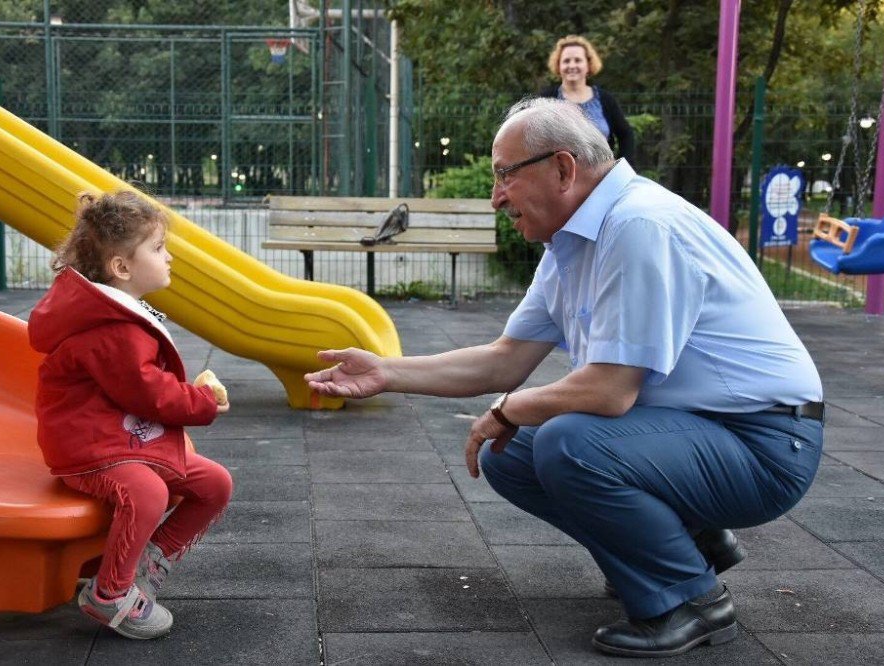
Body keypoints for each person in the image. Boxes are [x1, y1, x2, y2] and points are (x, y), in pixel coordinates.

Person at [305, 98, 824, 658]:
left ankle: (693, 601)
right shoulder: (572, 243)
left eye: (505, 174)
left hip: (765, 443)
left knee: (565, 441)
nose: (496, 195)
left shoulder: (638, 225)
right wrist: (386, 371)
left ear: (563, 168)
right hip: (695, 431)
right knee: (515, 453)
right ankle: (685, 542)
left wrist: (509, 409)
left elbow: (608, 390)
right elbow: (505, 359)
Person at [28, 191, 233, 640]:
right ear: (122, 268)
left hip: (119, 435)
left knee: (214, 484)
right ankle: (110, 593)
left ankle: (144, 563)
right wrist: (201, 402)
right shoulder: (111, 329)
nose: (169, 256)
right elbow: (148, 392)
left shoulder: (116, 313)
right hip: (88, 444)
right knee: (147, 493)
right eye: (158, 249)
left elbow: (142, 389)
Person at [538, 34, 634, 163]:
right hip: (559, 177)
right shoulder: (546, 99)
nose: (572, 65)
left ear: (588, 65)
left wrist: (623, 165)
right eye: (566, 61)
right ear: (558, 66)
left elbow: (626, 135)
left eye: (577, 60)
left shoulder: (605, 99)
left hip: (602, 177)